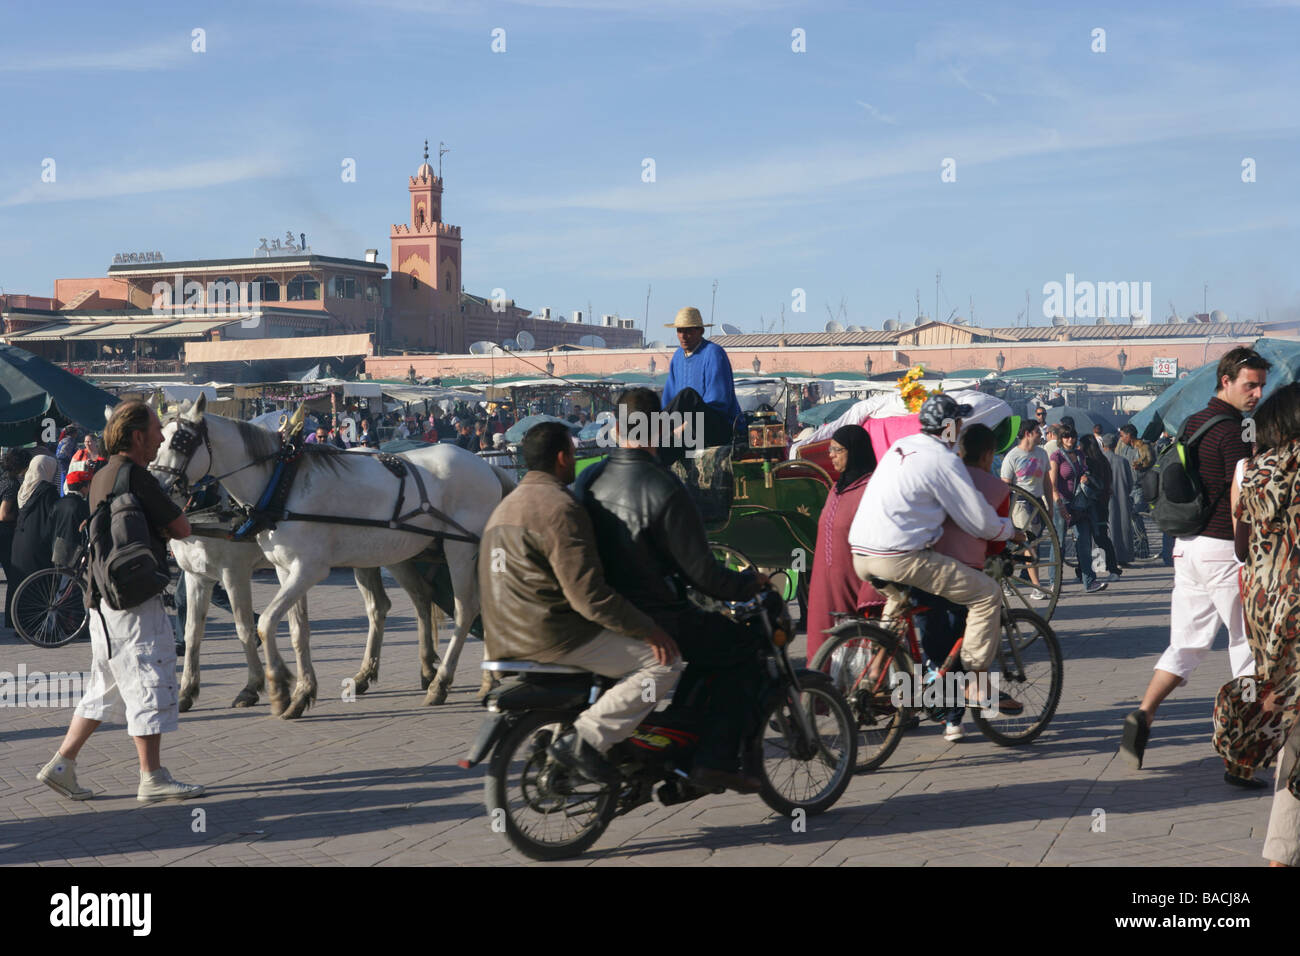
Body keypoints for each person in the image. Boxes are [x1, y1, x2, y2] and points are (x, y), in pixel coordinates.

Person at [575, 388, 770, 793]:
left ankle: (677, 741)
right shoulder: (663, 487)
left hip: (602, 609)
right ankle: (714, 760)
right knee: (742, 647)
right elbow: (704, 574)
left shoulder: (591, 477)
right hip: (656, 614)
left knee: (710, 645)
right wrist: (747, 583)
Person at [478, 420, 683, 785]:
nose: (574, 460)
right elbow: (589, 596)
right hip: (553, 637)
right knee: (663, 662)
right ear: (562, 457)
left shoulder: (502, 508)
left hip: (501, 638)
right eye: (572, 453)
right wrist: (648, 629)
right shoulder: (559, 507)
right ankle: (588, 740)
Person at [36, 400, 202, 803]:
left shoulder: (101, 475)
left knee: (105, 687)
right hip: (133, 600)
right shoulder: (138, 477)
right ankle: (152, 776)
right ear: (137, 435)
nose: (162, 438)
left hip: (102, 599)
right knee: (149, 677)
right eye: (156, 430)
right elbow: (181, 527)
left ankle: (61, 765)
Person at [1120, 347, 1271, 778]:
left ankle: (1144, 714)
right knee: (1247, 649)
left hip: (1186, 547)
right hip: (1224, 549)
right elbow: (1242, 496)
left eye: (1261, 385)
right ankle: (1241, 759)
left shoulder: (1195, 422)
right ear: (1226, 381)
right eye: (1250, 385)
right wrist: (1249, 550)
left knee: (1185, 643)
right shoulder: (1235, 433)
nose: (1257, 393)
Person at [848, 394, 1026, 688]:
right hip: (900, 556)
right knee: (987, 594)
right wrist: (1010, 531)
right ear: (950, 427)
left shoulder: (899, 447)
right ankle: (975, 682)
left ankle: (873, 674)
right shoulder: (943, 460)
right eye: (957, 422)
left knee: (900, 600)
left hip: (863, 554)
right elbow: (979, 521)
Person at [1213, 383, 1300, 863]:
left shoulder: (1252, 473)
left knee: (1296, 747)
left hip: (1271, 626)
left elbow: (1242, 548)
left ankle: (1279, 857)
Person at [910, 423, 1013, 741]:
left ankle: (936, 705)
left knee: (934, 644)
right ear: (987, 455)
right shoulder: (997, 489)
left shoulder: (943, 476)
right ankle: (955, 718)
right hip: (962, 573)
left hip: (922, 564)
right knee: (962, 641)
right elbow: (996, 542)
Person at [805, 425, 884, 662]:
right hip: (824, 588)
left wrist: (870, 591)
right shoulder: (837, 489)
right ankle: (819, 697)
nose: (831, 455)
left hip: (853, 587)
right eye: (830, 449)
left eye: (837, 450)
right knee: (821, 649)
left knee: (854, 655)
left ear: (855, 452)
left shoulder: (872, 489)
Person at [659, 306, 742, 466]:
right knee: (662, 449)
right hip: (690, 429)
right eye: (680, 331)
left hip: (719, 426)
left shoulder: (714, 353)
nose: (683, 336)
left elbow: (719, 403)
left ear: (700, 331)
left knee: (688, 395)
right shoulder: (677, 357)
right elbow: (668, 401)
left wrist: (682, 427)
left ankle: (652, 431)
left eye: (688, 331)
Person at [1000, 421, 1053, 599]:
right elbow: (1005, 487)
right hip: (1020, 504)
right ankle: (1036, 586)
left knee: (1021, 548)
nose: (1041, 434)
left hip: (1037, 503)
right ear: (1028, 434)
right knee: (1030, 544)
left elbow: (1047, 482)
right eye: (1038, 431)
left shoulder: (1042, 453)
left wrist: (1050, 507)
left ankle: (1003, 576)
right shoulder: (1012, 456)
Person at [10, 455, 61, 596]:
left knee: (18, 590)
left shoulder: (24, 489)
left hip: (19, 545)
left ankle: (12, 618)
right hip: (38, 546)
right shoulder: (48, 492)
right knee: (39, 593)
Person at [1078, 434, 1123, 580]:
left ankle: (1084, 572)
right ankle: (1112, 569)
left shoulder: (1088, 462)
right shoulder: (1103, 460)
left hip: (1090, 505)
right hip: (1101, 504)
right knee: (1101, 538)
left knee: (1086, 539)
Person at [1, 448, 34, 632]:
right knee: (14, 578)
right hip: (5, 534)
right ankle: (12, 619)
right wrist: (20, 516)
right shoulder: (12, 484)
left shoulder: (2, 478)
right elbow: (4, 514)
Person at [1099, 432, 1136, 567]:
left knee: (1101, 530)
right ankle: (1122, 558)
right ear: (1115, 445)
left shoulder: (1098, 461)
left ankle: (1100, 561)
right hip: (1120, 499)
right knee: (1121, 528)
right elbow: (1130, 482)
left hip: (1101, 501)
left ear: (1103, 445)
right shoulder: (1123, 461)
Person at [50, 466, 92, 568]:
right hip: (74, 551)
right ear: (83, 487)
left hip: (56, 548)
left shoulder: (58, 503)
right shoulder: (83, 505)